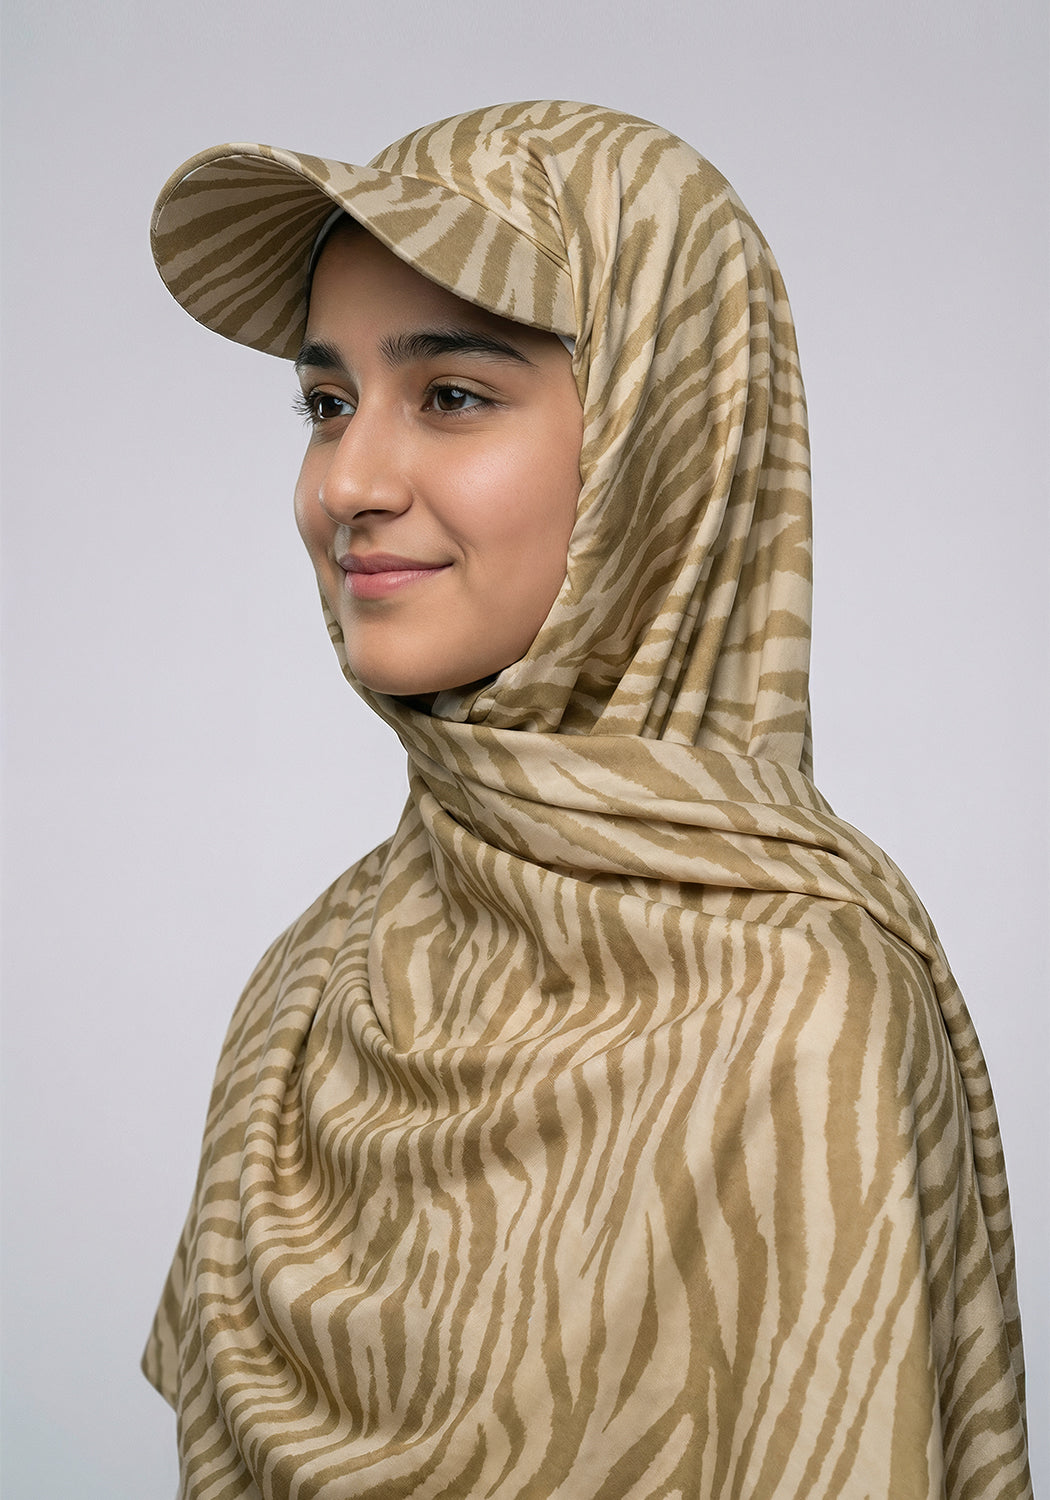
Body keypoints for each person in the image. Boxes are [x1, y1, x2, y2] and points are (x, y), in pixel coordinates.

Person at [143, 101, 1031, 1498]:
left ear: (656, 443)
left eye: (451, 395)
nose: (346, 483)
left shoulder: (799, 1016)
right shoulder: (314, 983)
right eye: (326, 404)